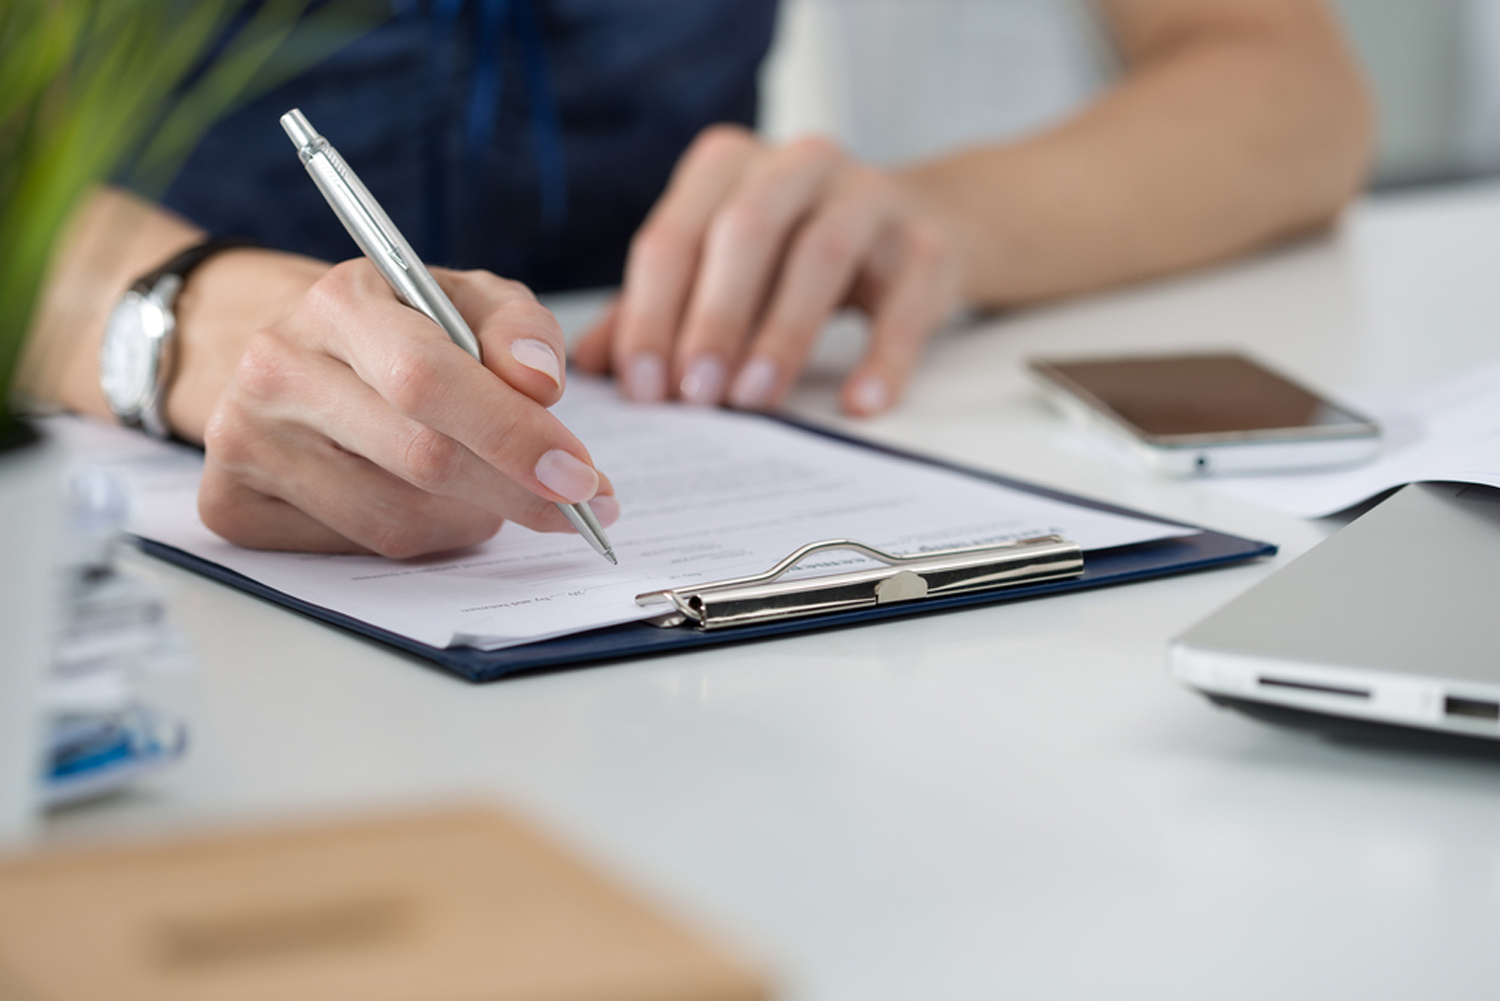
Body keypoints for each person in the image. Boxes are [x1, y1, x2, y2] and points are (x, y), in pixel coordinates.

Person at [18, 0, 1371, 559]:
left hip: (669, 393)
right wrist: (169, 318)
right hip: (122, 501)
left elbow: (1290, 84)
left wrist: (935, 221)